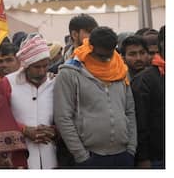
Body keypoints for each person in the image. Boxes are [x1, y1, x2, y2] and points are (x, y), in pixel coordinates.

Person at [54, 26, 136, 167]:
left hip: (123, 155)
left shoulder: (120, 70)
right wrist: (81, 156)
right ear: (90, 47)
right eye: (101, 55)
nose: (106, 59)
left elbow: (129, 111)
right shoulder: (70, 72)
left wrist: (131, 149)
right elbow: (63, 117)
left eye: (109, 54)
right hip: (90, 157)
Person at [0, 35, 57, 168]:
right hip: (18, 156)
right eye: (37, 67)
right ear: (26, 65)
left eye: (45, 66)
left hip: (50, 157)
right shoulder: (8, 83)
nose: (42, 71)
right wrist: (24, 130)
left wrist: (54, 131)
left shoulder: (54, 83)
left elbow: (64, 117)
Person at [120, 35, 165, 168]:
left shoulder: (158, 76)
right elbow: (139, 122)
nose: (138, 58)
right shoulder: (118, 81)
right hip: (142, 155)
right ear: (123, 58)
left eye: (142, 53)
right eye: (132, 54)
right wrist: (143, 157)